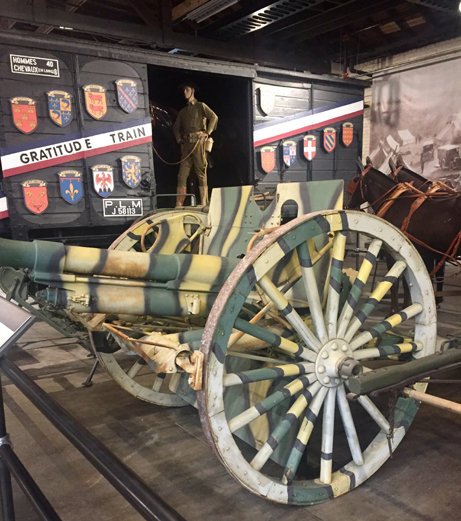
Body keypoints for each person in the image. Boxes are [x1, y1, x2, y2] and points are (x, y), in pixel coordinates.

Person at [172, 81, 218, 206]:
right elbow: (176, 127)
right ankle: (179, 203)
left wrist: (207, 132)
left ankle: (203, 202)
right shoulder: (183, 112)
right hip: (187, 145)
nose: (184, 92)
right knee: (182, 175)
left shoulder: (201, 106)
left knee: (201, 173)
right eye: (184, 90)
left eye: (187, 90)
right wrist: (179, 139)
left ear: (192, 91)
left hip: (198, 143)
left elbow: (214, 117)